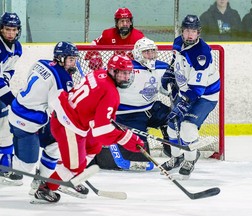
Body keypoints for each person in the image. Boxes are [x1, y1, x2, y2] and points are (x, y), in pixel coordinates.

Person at [32, 55, 145, 203]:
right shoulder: (111, 93)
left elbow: (93, 104)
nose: (126, 77)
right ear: (112, 71)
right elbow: (102, 132)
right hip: (68, 125)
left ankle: (70, 176)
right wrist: (128, 139)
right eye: (123, 73)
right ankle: (46, 187)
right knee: (73, 166)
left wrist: (106, 120)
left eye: (128, 73)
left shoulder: (99, 74)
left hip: (69, 113)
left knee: (94, 146)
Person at [7, 41, 80, 190]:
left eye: (75, 59)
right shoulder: (62, 78)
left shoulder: (42, 62)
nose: (74, 63)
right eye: (71, 59)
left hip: (21, 110)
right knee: (25, 167)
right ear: (61, 58)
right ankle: (5, 166)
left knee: (55, 143)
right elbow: (58, 108)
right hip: (26, 120)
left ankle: (43, 181)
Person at [95, 37, 171, 171]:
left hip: (151, 109)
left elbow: (168, 90)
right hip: (128, 115)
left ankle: (171, 148)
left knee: (175, 117)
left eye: (153, 52)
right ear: (137, 53)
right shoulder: (126, 68)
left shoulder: (162, 67)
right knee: (137, 155)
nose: (151, 55)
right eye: (146, 52)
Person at [160, 15, 220, 180]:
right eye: (187, 30)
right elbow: (176, 60)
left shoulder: (201, 55)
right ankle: (177, 157)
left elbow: (196, 91)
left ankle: (190, 159)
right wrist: (170, 73)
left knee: (187, 127)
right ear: (182, 31)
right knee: (172, 125)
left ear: (198, 32)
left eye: (193, 31)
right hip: (186, 91)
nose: (189, 35)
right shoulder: (178, 41)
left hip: (204, 96)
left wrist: (181, 106)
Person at [0, 12, 23, 185]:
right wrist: (12, 101)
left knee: (5, 120)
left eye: (13, 30)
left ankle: (5, 163)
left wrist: (6, 80)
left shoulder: (17, 48)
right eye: (7, 29)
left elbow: (8, 70)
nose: (10, 33)